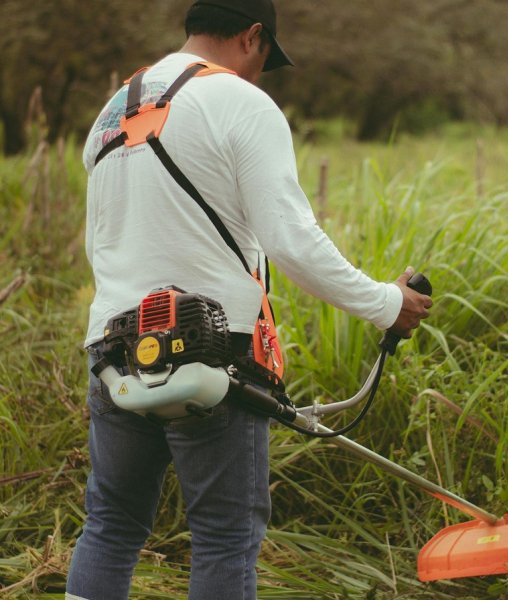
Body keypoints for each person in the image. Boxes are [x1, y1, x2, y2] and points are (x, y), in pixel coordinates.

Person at [65, 1, 432, 599]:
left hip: (113, 351)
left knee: (110, 526)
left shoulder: (113, 109)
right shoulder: (241, 100)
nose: (260, 72)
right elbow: (292, 240)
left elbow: (101, 243)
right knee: (224, 537)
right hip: (214, 351)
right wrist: (387, 304)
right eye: (265, 58)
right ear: (252, 35)